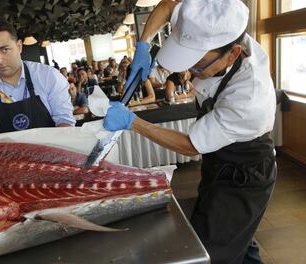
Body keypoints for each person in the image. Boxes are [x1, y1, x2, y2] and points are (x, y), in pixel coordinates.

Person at [104, 1, 277, 263]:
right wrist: (143, 44)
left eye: (198, 65)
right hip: (218, 161)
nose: (191, 71)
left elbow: (190, 145)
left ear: (233, 54)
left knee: (213, 251)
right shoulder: (220, 25)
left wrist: (133, 122)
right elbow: (167, 6)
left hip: (246, 173)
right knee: (239, 238)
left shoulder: (248, 97)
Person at [0, 19, 75, 135]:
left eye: (5, 50)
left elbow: (65, 123)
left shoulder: (49, 76)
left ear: (19, 46)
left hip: (53, 150)